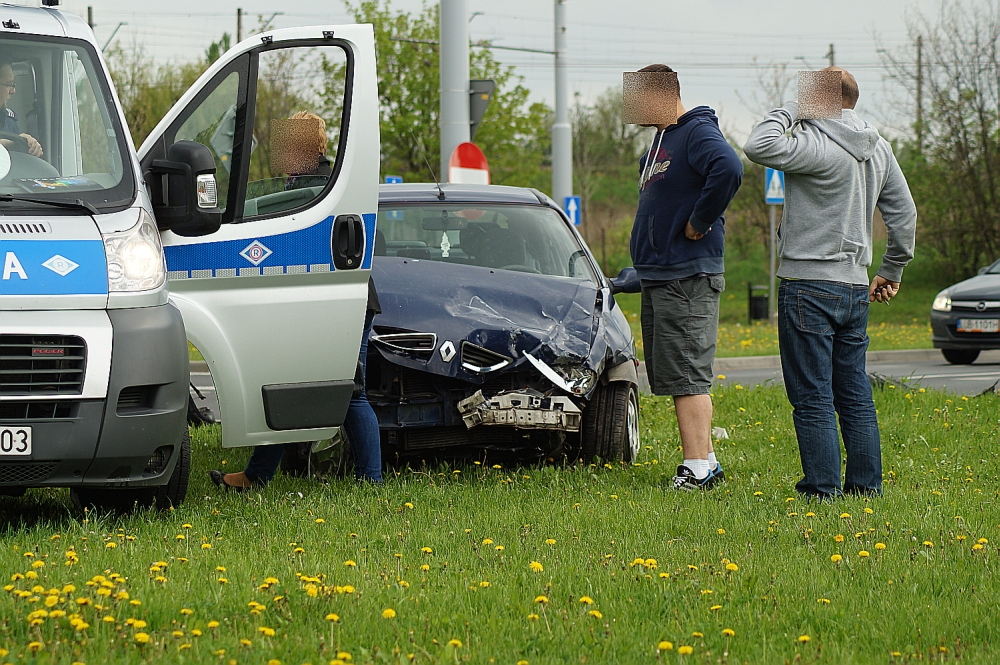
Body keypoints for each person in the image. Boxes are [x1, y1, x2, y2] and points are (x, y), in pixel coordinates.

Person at [743, 67, 916, 498]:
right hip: (855, 287)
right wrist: (891, 270)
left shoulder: (814, 145)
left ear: (820, 100)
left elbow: (757, 144)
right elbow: (905, 215)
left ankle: (821, 490)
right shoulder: (879, 148)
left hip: (807, 285)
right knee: (854, 393)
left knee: (813, 397)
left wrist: (796, 109)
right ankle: (865, 489)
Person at [628, 64, 743, 490]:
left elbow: (729, 169)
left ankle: (696, 468)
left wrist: (698, 222)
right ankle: (707, 459)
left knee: (688, 373)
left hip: (688, 276)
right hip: (662, 274)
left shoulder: (695, 131)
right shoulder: (659, 142)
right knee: (672, 372)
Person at [210, 278, 383, 488]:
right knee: (300, 390)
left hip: (333, 301)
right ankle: (371, 481)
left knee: (294, 389)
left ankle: (256, 476)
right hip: (347, 296)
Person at [0, 57, 42, 157]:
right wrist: (12, 144)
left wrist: (31, 147)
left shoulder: (9, 121)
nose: (13, 91)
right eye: (9, 84)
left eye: (13, 84)